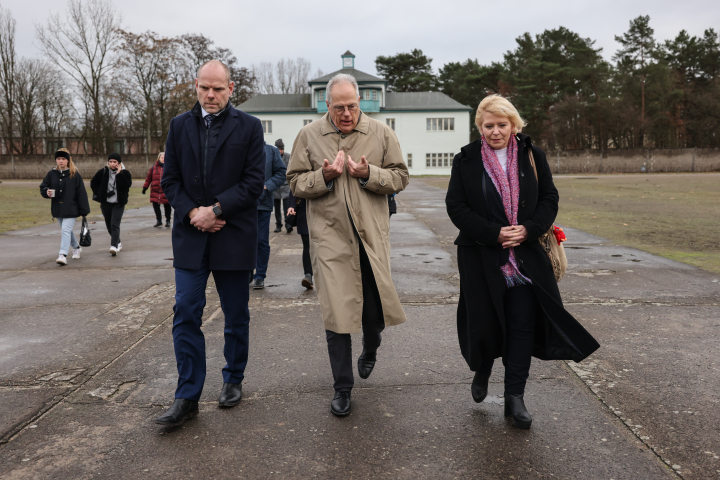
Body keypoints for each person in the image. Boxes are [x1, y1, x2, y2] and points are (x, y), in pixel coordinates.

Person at [445, 94, 600, 429]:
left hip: (525, 260)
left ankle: (515, 397)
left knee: (521, 329)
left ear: (514, 124)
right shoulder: (466, 159)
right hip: (482, 257)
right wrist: (494, 233)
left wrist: (529, 229)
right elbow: (456, 207)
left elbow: (549, 198)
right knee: (484, 324)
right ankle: (483, 367)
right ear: (480, 127)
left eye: (502, 124)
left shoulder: (533, 155)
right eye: (489, 125)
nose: (496, 131)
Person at [286, 73, 409, 417]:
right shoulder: (309, 136)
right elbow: (295, 182)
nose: (346, 113)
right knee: (336, 315)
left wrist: (369, 174)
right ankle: (342, 387)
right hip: (330, 241)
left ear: (360, 103)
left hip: (370, 238)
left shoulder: (381, 133)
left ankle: (371, 345)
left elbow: (400, 176)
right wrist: (323, 177)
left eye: (352, 106)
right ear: (327, 105)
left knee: (373, 311)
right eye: (339, 107)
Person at [156, 59, 265, 426]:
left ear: (231, 88)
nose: (211, 94)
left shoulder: (249, 127)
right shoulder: (178, 126)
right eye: (205, 87)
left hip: (232, 236)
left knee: (235, 315)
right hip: (190, 237)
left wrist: (216, 209)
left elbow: (253, 183)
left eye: (218, 88)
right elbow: (170, 181)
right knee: (185, 311)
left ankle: (233, 377)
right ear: (196, 86)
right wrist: (193, 214)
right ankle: (187, 395)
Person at [39, 148, 91, 265]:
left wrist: (84, 210)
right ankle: (76, 247)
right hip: (57, 208)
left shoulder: (75, 174)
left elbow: (81, 193)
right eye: (58, 159)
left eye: (63, 159)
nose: (61, 161)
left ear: (68, 160)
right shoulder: (51, 174)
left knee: (66, 230)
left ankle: (62, 255)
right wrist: (46, 191)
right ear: (56, 160)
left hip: (72, 208)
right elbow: (43, 186)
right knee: (66, 230)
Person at [252, 142, 287, 289]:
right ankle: (246, 270)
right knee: (244, 241)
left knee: (261, 240)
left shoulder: (271, 151)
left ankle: (260, 275)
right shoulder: (240, 147)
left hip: (263, 203)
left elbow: (281, 173)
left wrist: (267, 186)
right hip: (241, 203)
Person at [90, 153, 132, 256]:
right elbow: (93, 183)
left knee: (115, 224)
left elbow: (126, 185)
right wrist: (100, 194)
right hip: (106, 203)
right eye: (110, 161)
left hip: (118, 203)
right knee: (109, 225)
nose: (112, 164)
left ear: (119, 163)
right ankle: (118, 242)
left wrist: (119, 174)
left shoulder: (125, 173)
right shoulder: (103, 172)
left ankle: (114, 246)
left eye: (115, 162)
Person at [286, 192, 313, 289]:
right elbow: (295, 185)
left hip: (325, 210)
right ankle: (308, 275)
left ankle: (326, 276)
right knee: (307, 245)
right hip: (304, 209)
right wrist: (291, 205)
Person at [143, 152, 172, 227]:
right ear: (158, 158)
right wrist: (145, 187)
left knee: (167, 206)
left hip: (166, 190)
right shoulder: (153, 168)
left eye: (165, 158)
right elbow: (148, 178)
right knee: (156, 206)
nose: (163, 159)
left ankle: (168, 220)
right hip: (155, 190)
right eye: (162, 157)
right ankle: (159, 220)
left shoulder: (170, 167)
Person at [273, 138, 292, 233]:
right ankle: (278, 225)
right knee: (276, 207)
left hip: (285, 185)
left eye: (282, 149)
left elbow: (291, 169)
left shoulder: (288, 157)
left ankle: (288, 224)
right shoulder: (272, 156)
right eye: (279, 149)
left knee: (286, 206)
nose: (280, 151)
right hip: (275, 186)